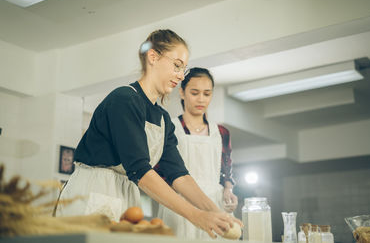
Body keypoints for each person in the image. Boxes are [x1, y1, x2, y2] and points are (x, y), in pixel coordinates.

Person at [54, 29, 241, 238]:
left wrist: (217, 213)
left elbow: (179, 174)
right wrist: (196, 216)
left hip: (126, 196)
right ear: (153, 57)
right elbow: (140, 170)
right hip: (95, 192)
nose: (181, 75)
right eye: (177, 65)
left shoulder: (162, 119)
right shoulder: (124, 99)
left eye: (183, 69)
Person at [157, 67, 238, 239]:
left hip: (215, 206)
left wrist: (228, 191)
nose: (201, 99)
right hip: (180, 207)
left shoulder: (221, 132)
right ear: (181, 93)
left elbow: (226, 169)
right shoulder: (169, 128)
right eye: (194, 93)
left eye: (207, 94)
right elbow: (160, 173)